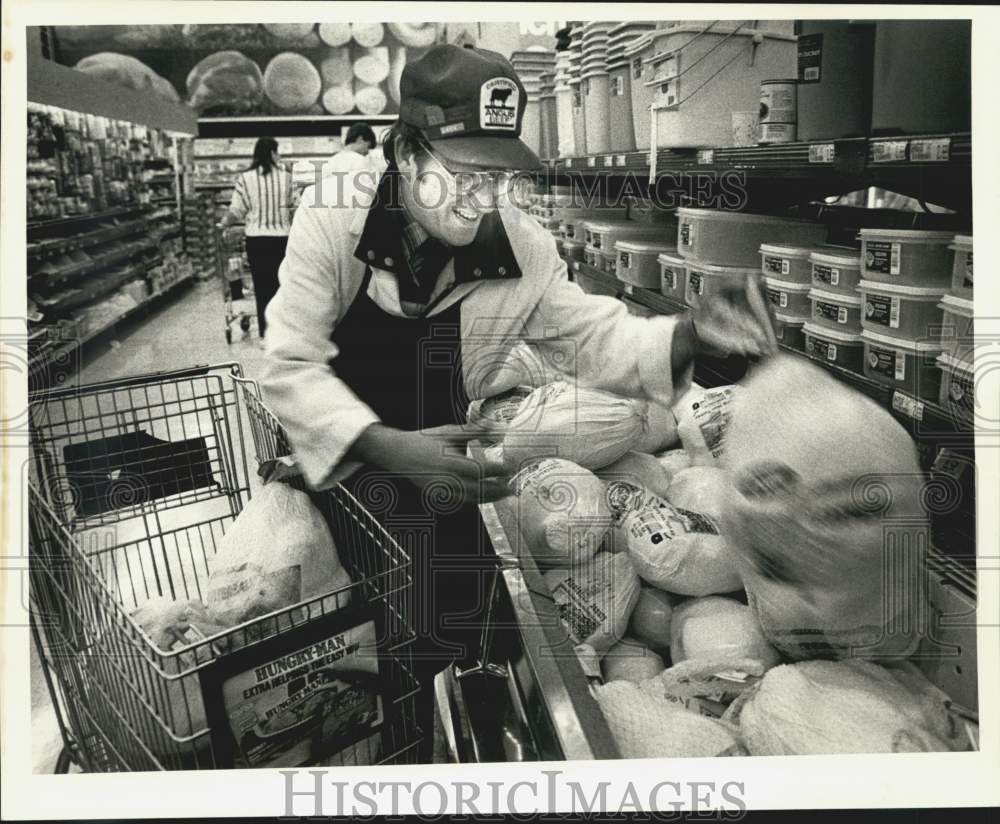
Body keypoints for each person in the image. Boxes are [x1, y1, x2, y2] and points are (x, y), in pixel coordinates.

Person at [262, 45, 774, 762]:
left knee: (449, 640)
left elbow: (593, 339)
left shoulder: (521, 247)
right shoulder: (338, 215)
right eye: (464, 174)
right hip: (340, 475)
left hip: (443, 477)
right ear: (407, 153)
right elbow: (287, 363)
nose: (482, 195)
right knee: (352, 667)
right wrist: (393, 448)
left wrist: (690, 332)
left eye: (497, 175)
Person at [217, 137, 299, 344]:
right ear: (272, 153)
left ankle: (266, 335)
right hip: (283, 240)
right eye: (277, 152)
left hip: (256, 240)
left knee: (262, 287)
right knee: (284, 286)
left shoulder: (245, 178)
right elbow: (296, 208)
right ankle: (284, 332)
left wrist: (223, 225)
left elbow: (237, 209)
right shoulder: (288, 178)